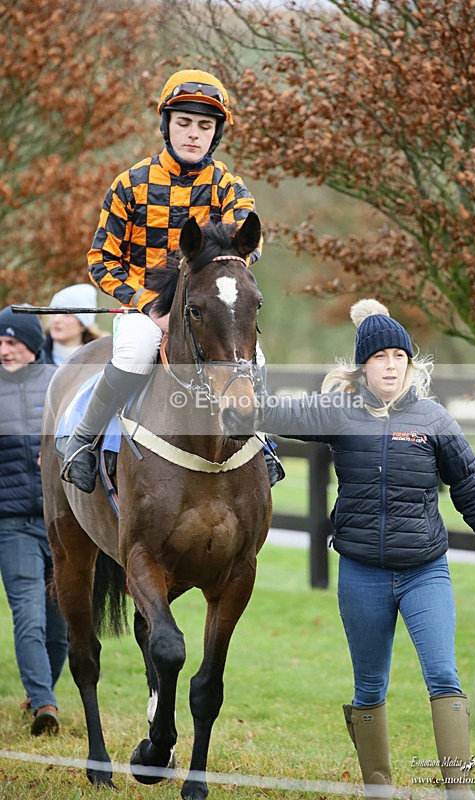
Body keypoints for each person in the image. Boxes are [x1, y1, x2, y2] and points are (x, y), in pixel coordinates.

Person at [226, 298, 475, 798]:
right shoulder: (339, 413)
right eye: (380, 357)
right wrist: (239, 404)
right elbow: (278, 412)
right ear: (362, 366)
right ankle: (378, 788)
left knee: (443, 674)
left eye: (399, 356)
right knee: (369, 686)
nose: (391, 365)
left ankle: (460, 790)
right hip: (361, 573)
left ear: (410, 363)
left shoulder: (434, 419)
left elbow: (473, 492)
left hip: (424, 571)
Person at [60, 67, 283, 493]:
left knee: (255, 356)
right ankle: (83, 441)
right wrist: (150, 305)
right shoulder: (130, 184)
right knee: (135, 350)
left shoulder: (229, 187)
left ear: (215, 134)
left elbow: (246, 246)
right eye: (184, 123)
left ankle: (261, 440)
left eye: (204, 126)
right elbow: (101, 260)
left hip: (206, 307)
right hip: (145, 311)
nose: (193, 134)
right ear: (167, 125)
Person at [0, 306, 68, 735]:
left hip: (60, 523)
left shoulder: (58, 384)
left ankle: (40, 694)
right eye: (0, 343)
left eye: (12, 342)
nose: (4, 350)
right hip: (12, 525)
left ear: (31, 344)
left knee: (62, 627)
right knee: (29, 614)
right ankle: (45, 703)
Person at [43, 283, 105, 365]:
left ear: (83, 324)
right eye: (54, 312)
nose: (56, 320)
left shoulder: (101, 362)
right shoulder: (33, 357)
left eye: (66, 315)